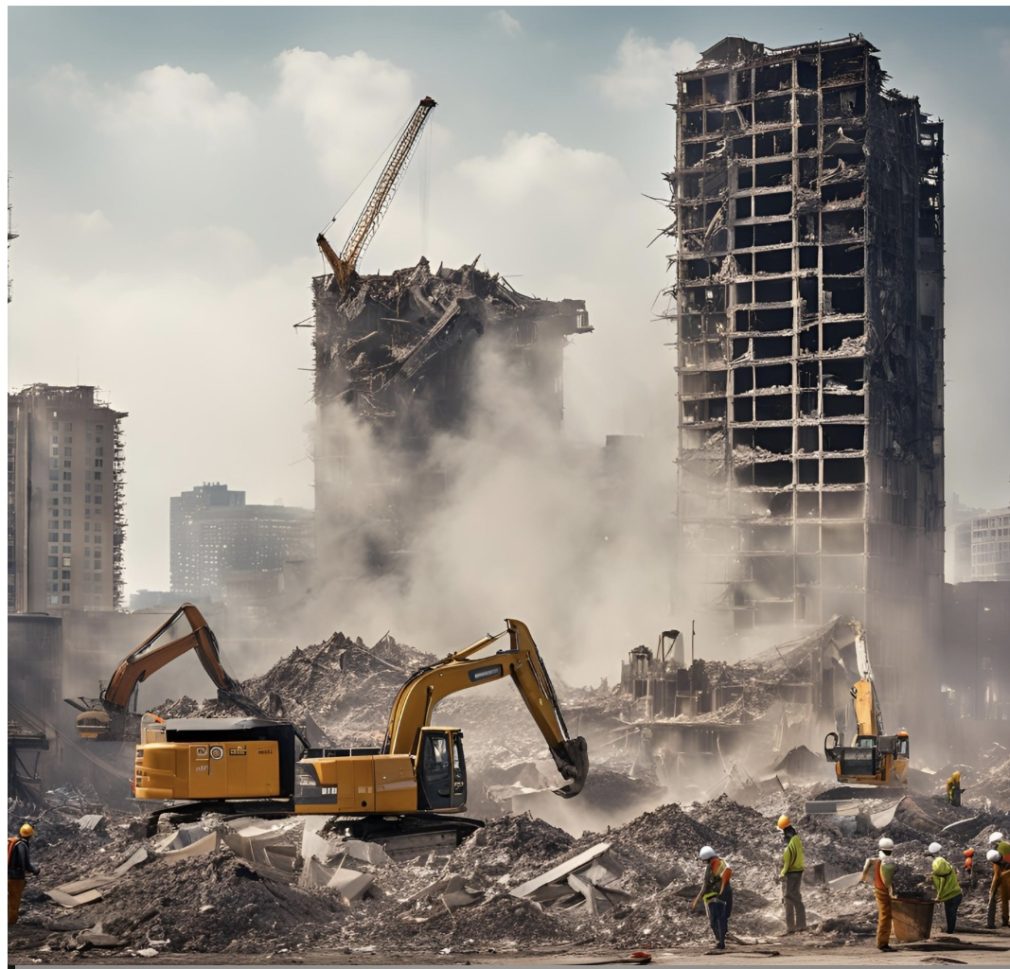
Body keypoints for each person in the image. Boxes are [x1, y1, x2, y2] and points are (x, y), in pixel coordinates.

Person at [690, 845, 733, 950]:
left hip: (716, 897)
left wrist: (697, 899)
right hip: (724, 894)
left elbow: (705, 886)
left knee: (715, 921)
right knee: (722, 919)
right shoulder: (722, 863)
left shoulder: (713, 867)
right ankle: (721, 940)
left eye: (705, 861)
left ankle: (720, 942)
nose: (705, 863)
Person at [860, 836, 897, 952]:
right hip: (883, 891)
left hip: (878, 889)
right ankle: (882, 944)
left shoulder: (875, 861)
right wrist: (893, 892)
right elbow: (888, 882)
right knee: (885, 917)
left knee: (884, 917)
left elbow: (866, 875)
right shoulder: (887, 864)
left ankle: (882, 941)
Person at [776, 814, 806, 933]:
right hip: (796, 872)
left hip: (792, 873)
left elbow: (788, 860)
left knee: (790, 896)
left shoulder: (791, 844)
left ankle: (797, 926)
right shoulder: (796, 840)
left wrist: (782, 873)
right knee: (792, 898)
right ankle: (795, 926)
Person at [8, 823, 40, 925]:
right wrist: (35, 870)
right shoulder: (22, 845)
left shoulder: (13, 841)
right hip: (15, 877)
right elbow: (25, 864)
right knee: (14, 901)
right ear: (30, 835)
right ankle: (11, 923)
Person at [929, 851, 962, 933]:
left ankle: (950, 931)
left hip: (949, 896)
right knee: (951, 913)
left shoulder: (937, 874)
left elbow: (941, 886)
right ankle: (950, 930)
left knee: (949, 913)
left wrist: (938, 897)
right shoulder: (950, 869)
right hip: (957, 894)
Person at [986, 847, 1010, 929]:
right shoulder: (998, 864)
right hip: (1005, 885)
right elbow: (996, 876)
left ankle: (1006, 921)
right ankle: (1005, 921)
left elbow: (997, 876)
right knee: (1004, 903)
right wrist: (993, 889)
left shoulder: (1006, 858)